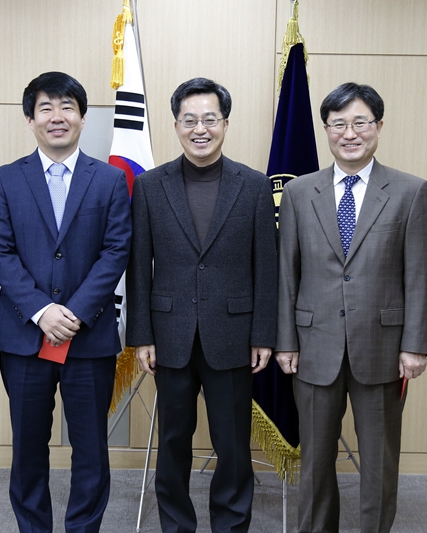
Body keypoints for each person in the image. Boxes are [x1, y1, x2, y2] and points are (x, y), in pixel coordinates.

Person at [275, 82, 427, 533]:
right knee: (314, 461)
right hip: (313, 347)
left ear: (379, 127)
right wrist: (285, 340)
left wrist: (415, 345)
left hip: (382, 349)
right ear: (326, 130)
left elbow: (419, 274)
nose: (350, 133)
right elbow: (287, 272)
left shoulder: (409, 191)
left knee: (380, 463)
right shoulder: (299, 192)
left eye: (360, 122)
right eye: (338, 124)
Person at [127, 77, 278, 533]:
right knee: (173, 442)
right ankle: (176, 526)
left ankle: (229, 526)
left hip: (233, 335)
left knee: (232, 444)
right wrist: (141, 335)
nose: (200, 129)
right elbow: (139, 266)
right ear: (176, 125)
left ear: (225, 123)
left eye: (210, 119)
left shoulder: (254, 186)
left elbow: (266, 266)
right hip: (169, 335)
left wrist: (263, 334)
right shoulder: (150, 186)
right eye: (189, 120)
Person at [0, 71, 132, 533]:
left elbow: (116, 250)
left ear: (83, 118)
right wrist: (42, 310)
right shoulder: (6, 179)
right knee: (28, 447)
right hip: (24, 337)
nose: (57, 116)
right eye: (45, 107)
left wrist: (75, 312)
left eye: (67, 107)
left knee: (91, 449)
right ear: (30, 119)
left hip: (89, 339)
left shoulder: (110, 180)